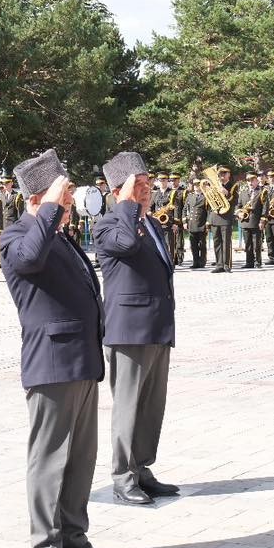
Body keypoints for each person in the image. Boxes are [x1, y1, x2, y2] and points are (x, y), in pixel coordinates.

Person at [0, 150, 114, 548]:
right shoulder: (15, 237)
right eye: (61, 198)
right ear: (38, 199)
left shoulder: (58, 235)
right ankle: (46, 546)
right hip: (51, 363)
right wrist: (49, 208)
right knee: (50, 459)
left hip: (81, 359)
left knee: (81, 458)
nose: (68, 204)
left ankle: (73, 536)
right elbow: (29, 259)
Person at [93, 151, 179, 508]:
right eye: (137, 185)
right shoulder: (107, 225)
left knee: (151, 407)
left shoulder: (151, 223)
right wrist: (128, 205)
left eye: (146, 183)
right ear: (118, 192)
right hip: (128, 331)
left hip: (157, 326)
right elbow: (126, 245)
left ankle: (142, 468)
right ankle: (123, 477)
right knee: (128, 407)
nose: (146, 190)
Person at [207, 166, 235, 273]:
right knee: (217, 242)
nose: (222, 176)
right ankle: (219, 264)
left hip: (226, 218)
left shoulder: (233, 186)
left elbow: (235, 200)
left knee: (226, 242)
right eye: (220, 174)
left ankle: (227, 264)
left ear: (229, 174)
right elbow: (209, 202)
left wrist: (227, 193)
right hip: (215, 217)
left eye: (224, 173)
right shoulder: (214, 186)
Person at [236, 170, 264, 269]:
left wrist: (262, 220)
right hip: (245, 221)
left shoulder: (262, 192)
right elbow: (238, 205)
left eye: (252, 180)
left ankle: (258, 262)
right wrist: (238, 213)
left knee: (256, 244)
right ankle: (249, 262)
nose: (250, 182)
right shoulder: (243, 192)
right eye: (248, 180)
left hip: (256, 221)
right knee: (247, 243)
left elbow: (265, 207)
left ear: (257, 180)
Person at [183, 177, 209, 269]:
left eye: (197, 185)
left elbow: (209, 211)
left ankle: (202, 262)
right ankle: (195, 262)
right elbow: (185, 209)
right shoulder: (190, 196)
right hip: (192, 223)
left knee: (202, 244)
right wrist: (184, 222)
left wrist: (207, 223)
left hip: (201, 223)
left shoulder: (205, 196)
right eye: (194, 185)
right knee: (193, 245)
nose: (196, 186)